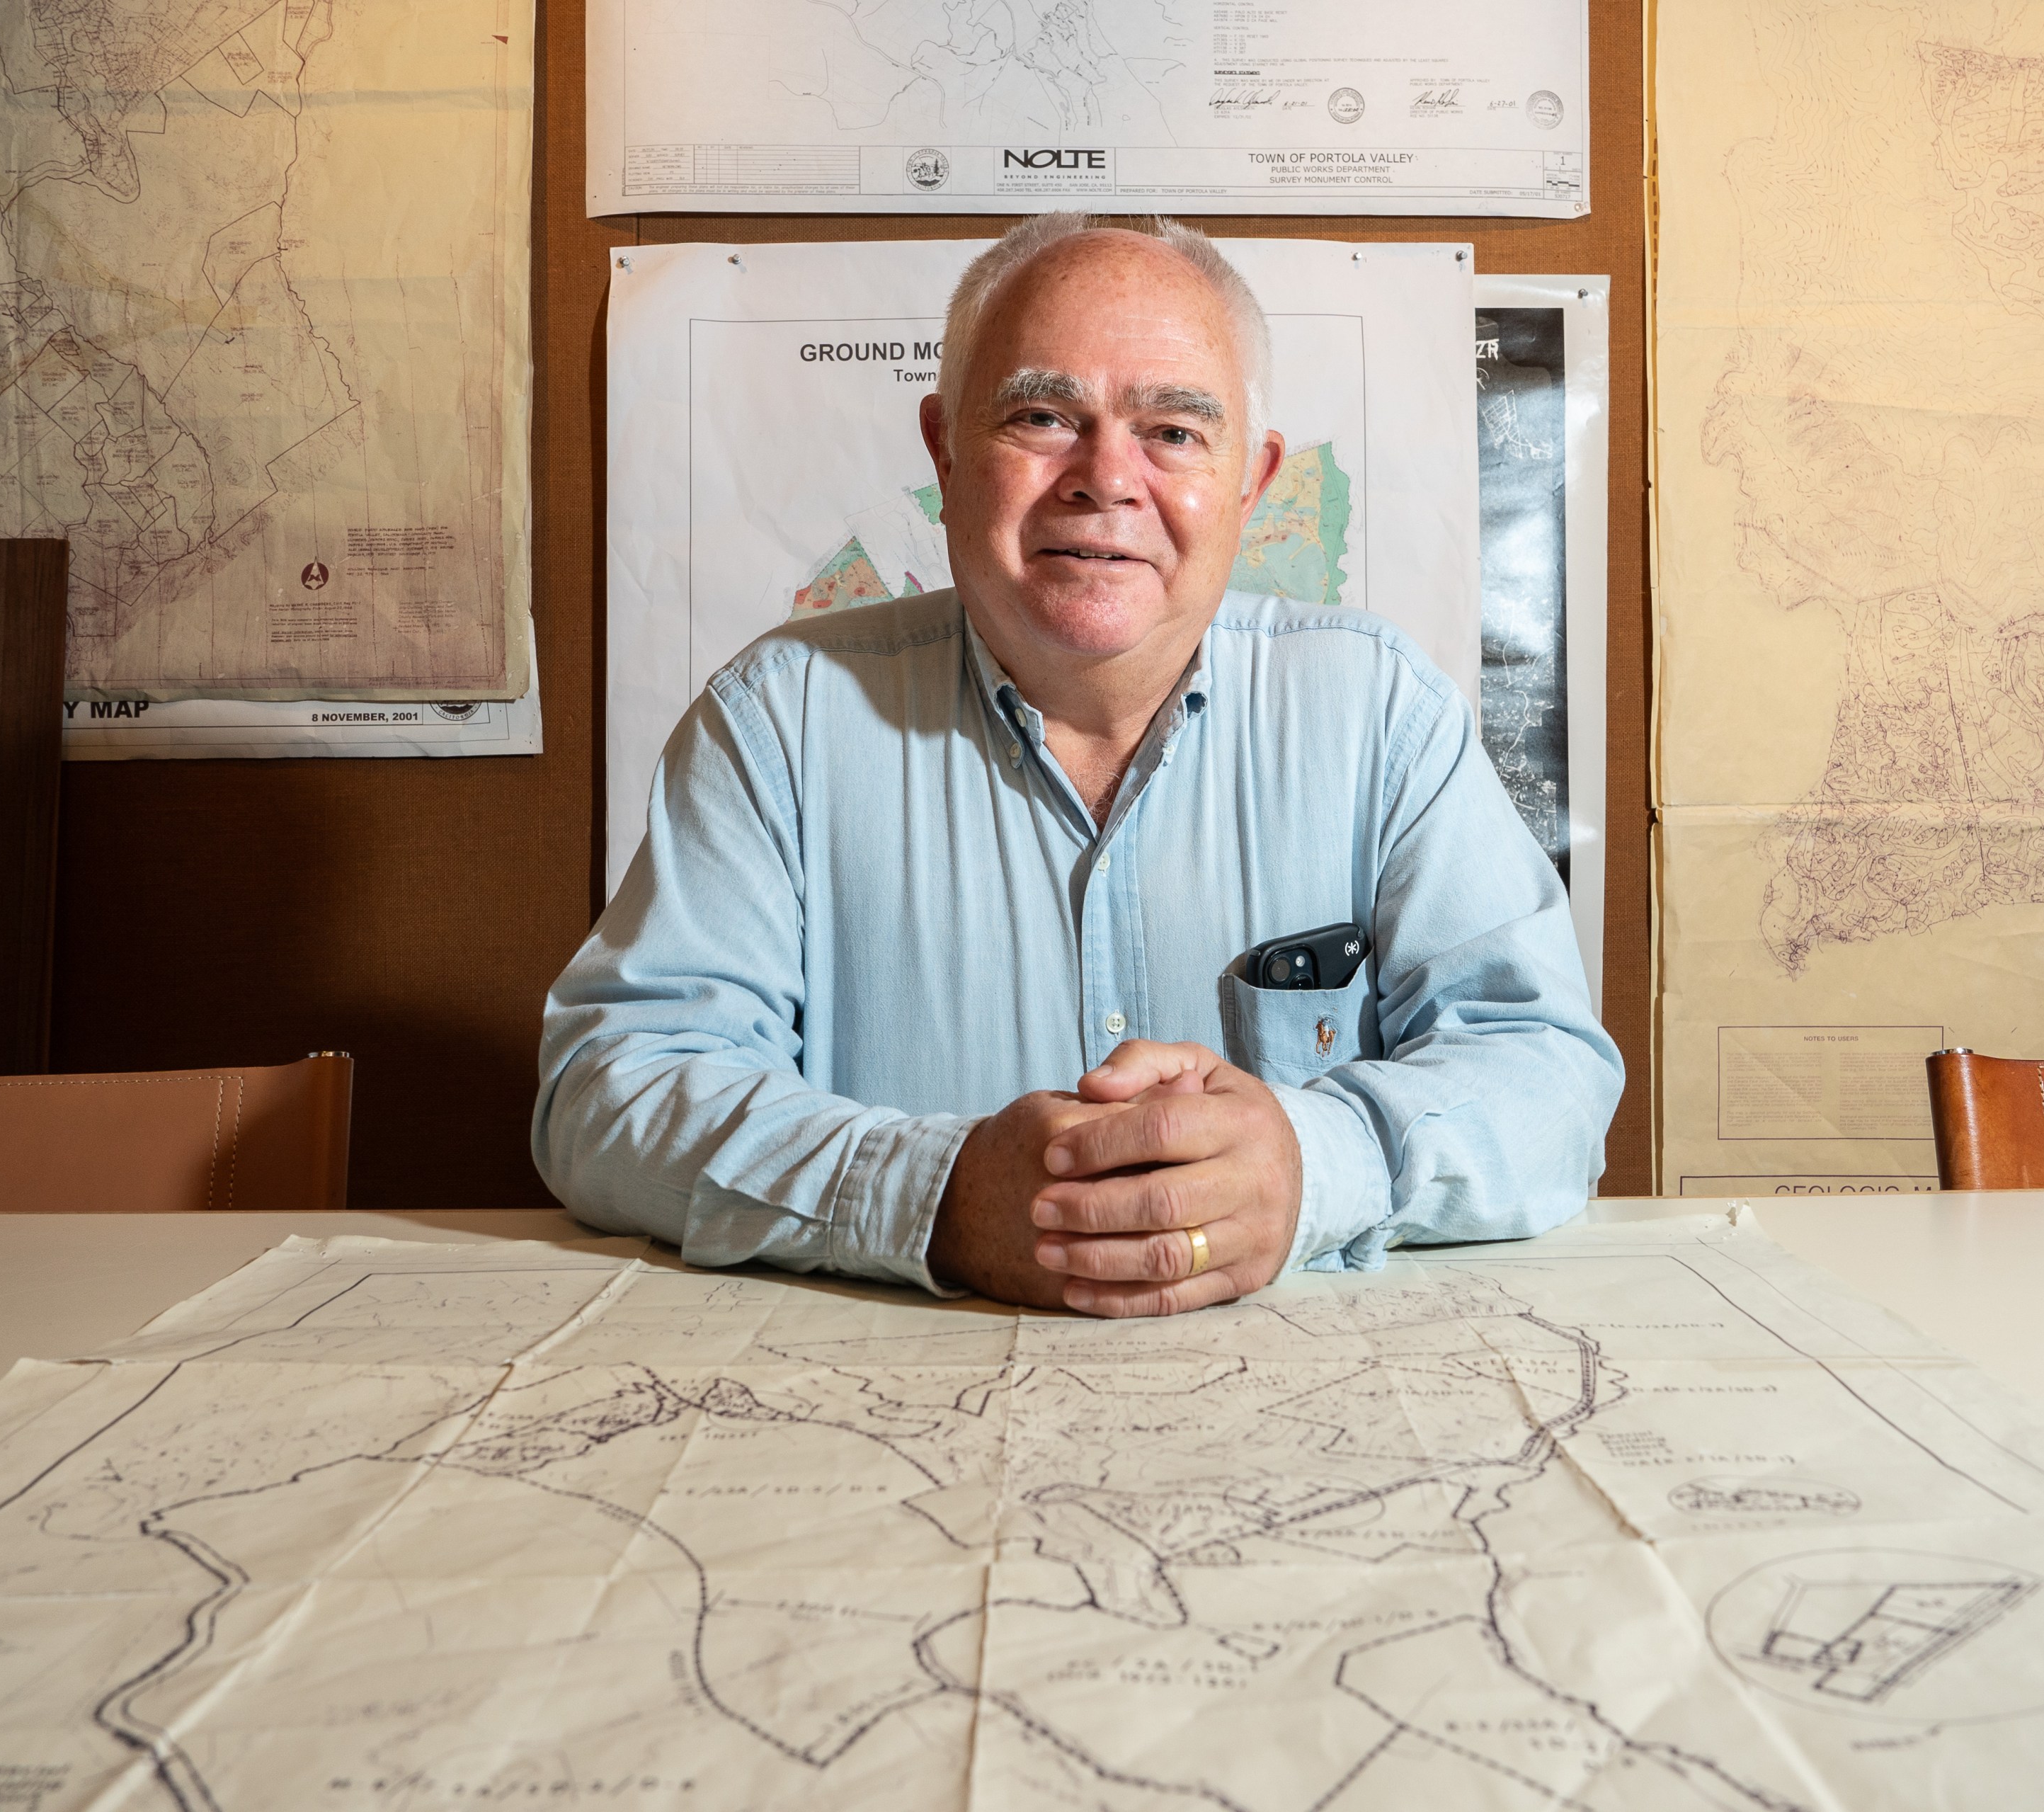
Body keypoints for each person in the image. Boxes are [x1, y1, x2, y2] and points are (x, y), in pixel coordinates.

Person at [534, 212, 1622, 1317]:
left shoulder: (1384, 717)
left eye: (1176, 432)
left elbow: (1549, 1077)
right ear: (946, 452)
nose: (1106, 480)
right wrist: (937, 1197)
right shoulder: (776, 724)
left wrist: (1312, 1164)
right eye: (1043, 416)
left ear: (1253, 481)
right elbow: (610, 1093)